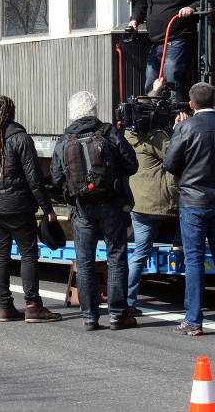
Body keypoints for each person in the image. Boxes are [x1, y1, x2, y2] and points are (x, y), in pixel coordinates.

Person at [0, 96, 62, 323]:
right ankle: (33, 306)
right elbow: (35, 179)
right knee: (28, 254)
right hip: (18, 209)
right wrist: (48, 208)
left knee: (0, 256)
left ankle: (5, 307)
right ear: (12, 114)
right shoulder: (20, 139)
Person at [163, 82, 215, 335]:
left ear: (191, 104)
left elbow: (169, 163)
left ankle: (194, 321)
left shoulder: (184, 127)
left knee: (194, 261)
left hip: (192, 203)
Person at [51, 91, 139, 331]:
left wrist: (77, 189)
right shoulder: (109, 132)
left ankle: (90, 317)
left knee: (85, 261)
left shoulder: (65, 139)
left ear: (72, 114)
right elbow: (132, 164)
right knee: (117, 258)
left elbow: (57, 177)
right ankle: (118, 315)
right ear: (95, 111)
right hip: (112, 204)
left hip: (82, 209)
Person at [124, 93, 179, 316]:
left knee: (139, 253)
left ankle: (127, 300)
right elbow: (177, 154)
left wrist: (154, 90)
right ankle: (179, 244)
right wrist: (178, 130)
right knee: (189, 212)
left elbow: (143, 105)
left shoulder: (128, 136)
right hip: (160, 202)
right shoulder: (157, 137)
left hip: (138, 204)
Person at [128, 0, 203, 101]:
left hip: (178, 37)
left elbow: (205, 0)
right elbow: (141, 3)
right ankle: (151, 116)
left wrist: (191, 7)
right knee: (151, 80)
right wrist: (134, 20)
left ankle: (178, 115)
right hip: (157, 41)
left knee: (171, 75)